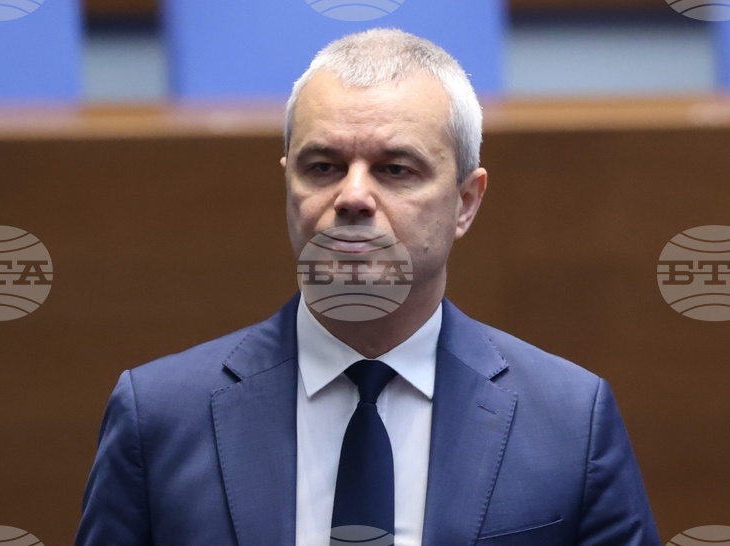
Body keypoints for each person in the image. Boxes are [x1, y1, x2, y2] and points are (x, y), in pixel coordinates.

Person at [76, 28, 660, 546]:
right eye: (323, 167)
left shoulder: (570, 421)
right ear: (288, 186)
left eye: (395, 169)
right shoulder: (159, 416)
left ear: (465, 201)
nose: (352, 197)